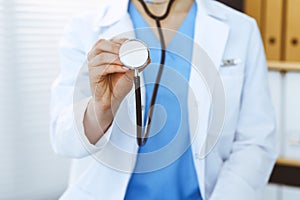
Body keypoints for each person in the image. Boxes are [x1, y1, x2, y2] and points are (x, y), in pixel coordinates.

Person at [50, 0, 278, 199]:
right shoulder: (85, 28)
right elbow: (63, 139)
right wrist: (101, 108)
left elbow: (255, 141)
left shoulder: (241, 28)